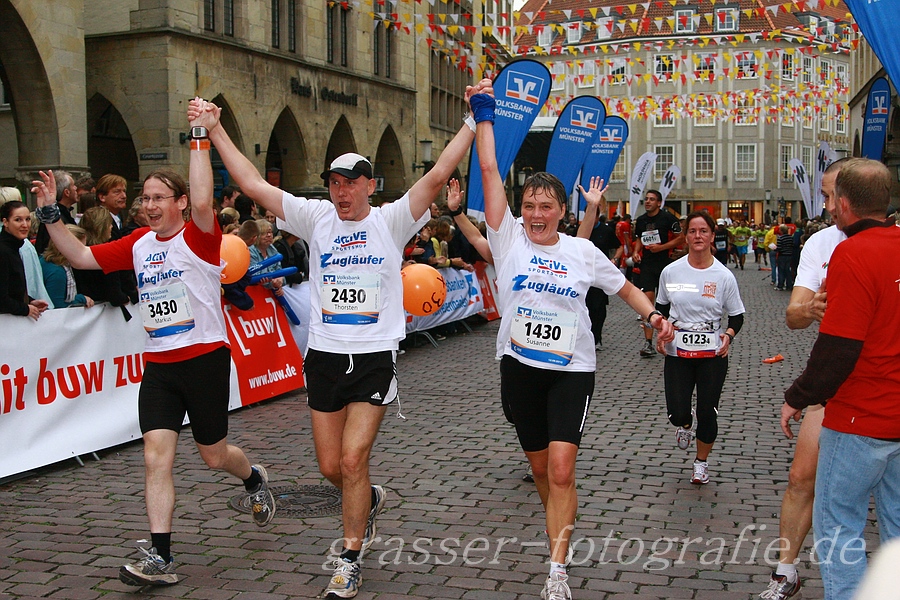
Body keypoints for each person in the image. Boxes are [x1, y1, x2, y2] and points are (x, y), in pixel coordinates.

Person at [191, 79, 490, 598]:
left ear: (370, 186)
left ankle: (350, 555)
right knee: (332, 467)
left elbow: (438, 173)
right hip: (324, 357)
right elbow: (255, 186)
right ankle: (365, 498)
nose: (342, 191)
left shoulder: (392, 219)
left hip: (373, 357)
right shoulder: (317, 217)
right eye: (334, 182)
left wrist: (472, 118)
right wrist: (215, 129)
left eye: (352, 183)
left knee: (352, 459)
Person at [31, 142, 276, 587]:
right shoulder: (140, 242)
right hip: (160, 367)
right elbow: (83, 257)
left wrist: (200, 136)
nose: (149, 206)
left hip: (204, 361)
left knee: (214, 455)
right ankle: (161, 557)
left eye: (159, 197)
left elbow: (205, 200)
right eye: (145, 198)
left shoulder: (200, 237)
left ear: (180, 203)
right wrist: (50, 216)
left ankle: (253, 476)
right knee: (154, 457)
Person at [471, 89, 674, 600]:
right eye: (529, 206)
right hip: (519, 367)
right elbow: (491, 170)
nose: (537, 214)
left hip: (572, 368)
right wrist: (484, 117)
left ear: (563, 210)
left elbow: (625, 287)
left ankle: (556, 567)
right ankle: (556, 521)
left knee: (562, 468)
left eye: (546, 206)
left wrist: (653, 316)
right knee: (541, 469)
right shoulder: (508, 239)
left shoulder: (581, 250)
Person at [781, 158, 900, 600]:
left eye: (832, 200)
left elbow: (839, 348)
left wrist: (798, 395)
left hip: (859, 419)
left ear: (846, 204)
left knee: (839, 526)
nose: (829, 208)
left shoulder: (850, 253)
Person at [760, 159, 848, 600]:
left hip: (884, 378)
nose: (826, 205)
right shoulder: (820, 243)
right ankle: (786, 570)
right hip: (834, 378)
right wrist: (809, 309)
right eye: (825, 194)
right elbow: (793, 315)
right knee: (801, 476)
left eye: (832, 195)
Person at [655, 211, 745, 485]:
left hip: (712, 353)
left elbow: (737, 316)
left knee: (708, 410)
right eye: (692, 231)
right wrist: (661, 330)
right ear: (685, 236)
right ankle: (684, 424)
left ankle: (701, 462)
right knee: (677, 412)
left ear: (711, 235)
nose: (697, 236)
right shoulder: (671, 271)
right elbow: (660, 308)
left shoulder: (723, 275)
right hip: (678, 351)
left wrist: (728, 334)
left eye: (703, 231)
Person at [632, 190, 683, 357]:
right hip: (647, 265)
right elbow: (639, 238)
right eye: (646, 199)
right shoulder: (640, 220)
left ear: (659, 203)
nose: (647, 202)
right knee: (647, 304)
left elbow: (680, 238)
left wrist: (661, 248)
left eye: (651, 199)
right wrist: (636, 252)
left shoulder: (668, 218)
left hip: (665, 266)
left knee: (667, 303)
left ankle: (668, 338)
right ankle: (648, 343)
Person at [0, 200, 49, 319]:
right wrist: (25, 308)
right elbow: (2, 298)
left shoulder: (15, 247)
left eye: (27, 219)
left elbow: (13, 290)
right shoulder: (3, 251)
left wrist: (29, 302)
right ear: (5, 222)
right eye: (18, 220)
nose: (25, 225)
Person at [40, 225, 94, 309]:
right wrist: (81, 299)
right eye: (81, 248)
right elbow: (57, 306)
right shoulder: (57, 272)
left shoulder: (46, 260)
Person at [35, 170, 79, 255]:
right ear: (67, 192)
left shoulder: (64, 214)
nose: (76, 188)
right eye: (73, 185)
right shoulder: (55, 219)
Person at [249, 219, 284, 296]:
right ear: (256, 235)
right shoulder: (250, 251)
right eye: (264, 233)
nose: (269, 235)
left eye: (270, 232)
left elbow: (279, 270)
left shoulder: (272, 249)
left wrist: (280, 280)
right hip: (255, 294)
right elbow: (255, 276)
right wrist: (272, 283)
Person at [775, 225, 794, 291]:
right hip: (789, 255)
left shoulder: (780, 238)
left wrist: (775, 249)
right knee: (787, 270)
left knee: (781, 270)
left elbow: (779, 248)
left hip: (782, 255)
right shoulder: (791, 238)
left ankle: (780, 285)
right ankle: (789, 285)